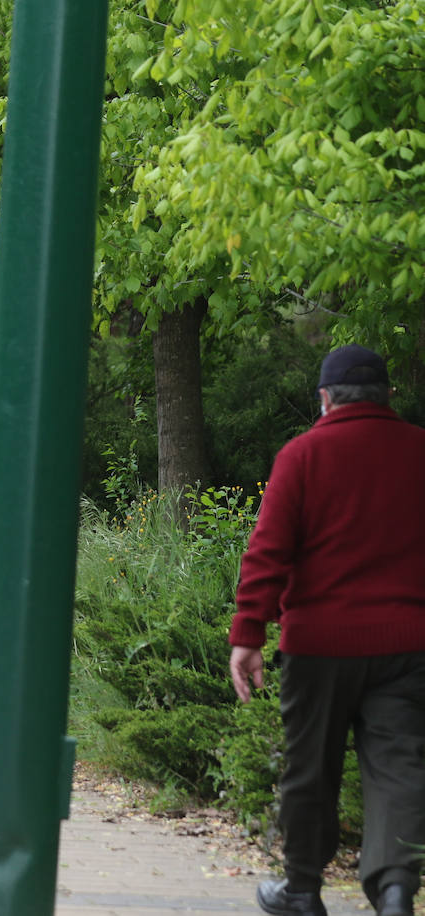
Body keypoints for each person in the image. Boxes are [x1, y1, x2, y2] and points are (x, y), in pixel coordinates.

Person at [229, 344, 425, 916]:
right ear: (388, 395)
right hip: (408, 644)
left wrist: (249, 633)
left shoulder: (302, 455)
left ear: (324, 399)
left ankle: (303, 890)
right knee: (399, 767)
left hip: (318, 644)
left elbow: (268, 552)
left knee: (310, 767)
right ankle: (394, 890)